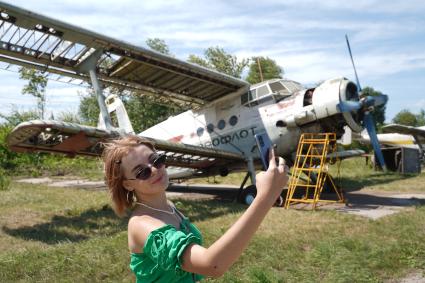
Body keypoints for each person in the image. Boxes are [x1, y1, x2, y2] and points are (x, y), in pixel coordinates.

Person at [102, 135, 289, 282]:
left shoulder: (168, 207)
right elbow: (212, 266)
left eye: (156, 160)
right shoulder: (142, 225)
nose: (154, 169)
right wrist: (265, 197)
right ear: (127, 185)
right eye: (142, 172)